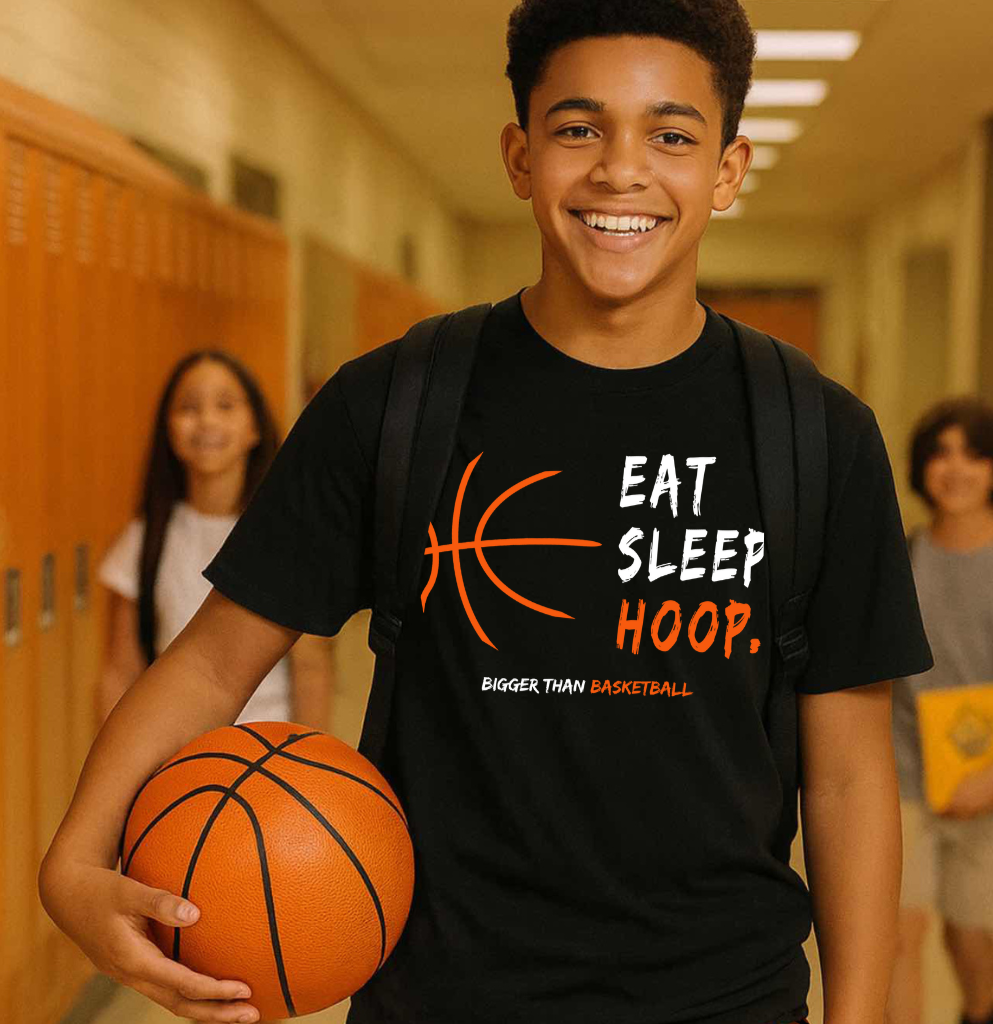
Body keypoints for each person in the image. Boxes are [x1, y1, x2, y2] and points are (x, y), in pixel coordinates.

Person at [39, 3, 933, 1023]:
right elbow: (209, 664)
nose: (621, 170)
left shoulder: (817, 435)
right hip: (442, 994)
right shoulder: (392, 404)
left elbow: (849, 774)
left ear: (727, 170)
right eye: (579, 128)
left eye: (671, 135)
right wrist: (74, 858)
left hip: (724, 998)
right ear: (520, 155)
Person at [95, 350, 334, 732]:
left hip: (268, 749)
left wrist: (308, 761)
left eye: (225, 405)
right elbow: (121, 672)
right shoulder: (142, 541)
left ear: (255, 427)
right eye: (189, 407)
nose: (207, 420)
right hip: (177, 754)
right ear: (169, 429)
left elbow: (310, 667)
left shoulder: (283, 537)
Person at [887, 398, 993, 1024]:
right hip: (902, 773)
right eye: (940, 453)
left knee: (967, 935)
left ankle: (980, 1010)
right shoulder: (897, 560)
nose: (955, 468)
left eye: (973, 454)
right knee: (899, 930)